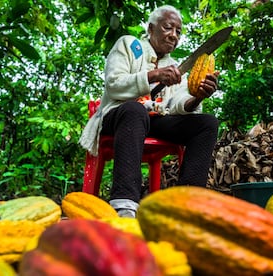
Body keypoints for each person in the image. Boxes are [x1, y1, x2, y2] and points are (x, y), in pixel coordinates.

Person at [79, 5, 219, 217]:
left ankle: (189, 206)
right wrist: (153, 76)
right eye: (168, 28)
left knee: (207, 124)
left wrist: (198, 96)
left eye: (178, 31)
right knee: (135, 110)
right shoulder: (128, 44)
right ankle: (124, 204)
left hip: (156, 120)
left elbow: (178, 104)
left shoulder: (174, 65)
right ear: (151, 29)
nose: (173, 35)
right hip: (119, 115)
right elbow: (114, 84)